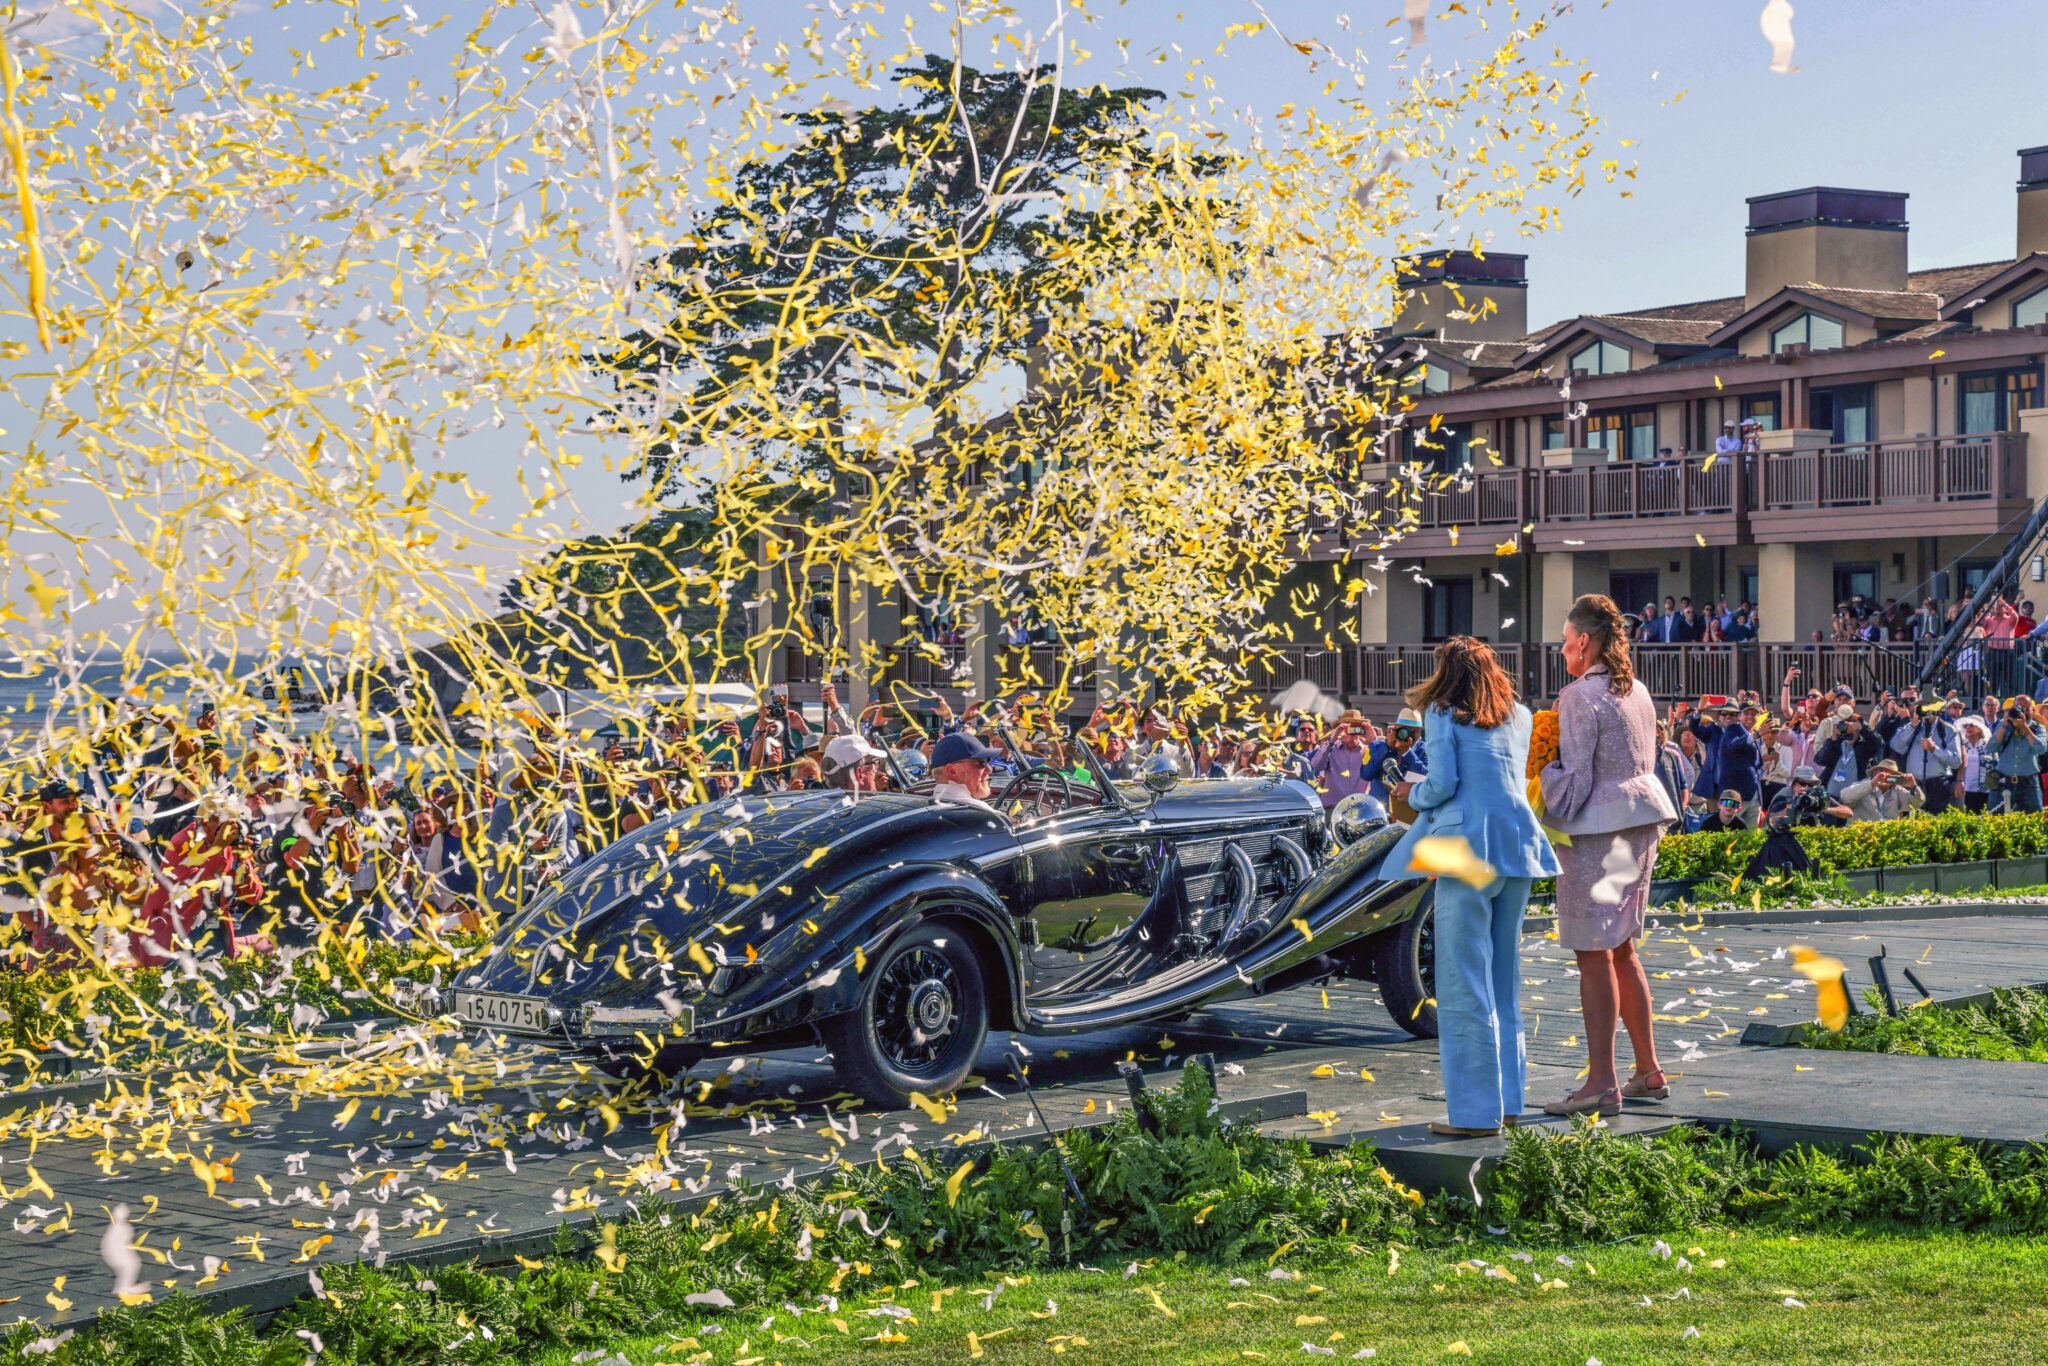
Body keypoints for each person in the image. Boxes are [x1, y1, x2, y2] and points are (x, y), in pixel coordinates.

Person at [1383, 636, 1560, 1138]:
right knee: (1504, 979)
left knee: (1462, 983)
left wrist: (1410, 791)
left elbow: (1442, 786)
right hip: (1518, 847)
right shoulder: (1521, 716)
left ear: (1448, 672)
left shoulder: (1441, 713)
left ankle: (1475, 1115)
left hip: (1463, 850)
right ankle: (1509, 1102)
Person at [1536, 595, 1677, 1118]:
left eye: (1565, 641)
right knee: (1622, 949)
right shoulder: (1637, 689)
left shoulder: (1577, 696)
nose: (1562, 650)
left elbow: (1574, 783)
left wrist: (1537, 770)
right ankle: (1648, 1069)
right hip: (1641, 823)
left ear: (1584, 642)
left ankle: (1601, 1082)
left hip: (1598, 833)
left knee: (1593, 953)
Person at [1890, 702, 1961, 814]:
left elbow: (1956, 762)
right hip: (1912, 784)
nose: (1925, 711)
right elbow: (1896, 746)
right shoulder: (1911, 727)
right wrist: (1913, 724)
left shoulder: (1948, 730)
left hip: (1937, 787)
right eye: (1921, 707)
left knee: (1935, 822)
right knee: (1911, 821)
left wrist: (1934, 749)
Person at [1988, 699, 2048, 813]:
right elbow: (1990, 748)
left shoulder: (2038, 727)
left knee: (2034, 819)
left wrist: (2024, 727)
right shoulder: (2003, 724)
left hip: (2028, 782)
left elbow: (2041, 749)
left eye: (2026, 709)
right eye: (2019, 708)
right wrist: (2004, 726)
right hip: (2003, 780)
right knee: (1995, 819)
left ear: (2032, 710)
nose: (2022, 712)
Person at [1308, 710, 1373, 810]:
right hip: (1333, 810)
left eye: (1356, 727)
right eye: (1348, 727)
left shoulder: (1368, 751)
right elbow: (1316, 765)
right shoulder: (1330, 749)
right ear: (1340, 730)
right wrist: (1331, 740)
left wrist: (1374, 740)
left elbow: (1381, 769)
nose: (1352, 731)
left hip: (1360, 811)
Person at [1841, 759, 1924, 823]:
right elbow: (1844, 797)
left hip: (1886, 836)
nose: (1886, 776)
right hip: (1861, 834)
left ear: (1896, 778)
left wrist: (1913, 786)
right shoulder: (1862, 785)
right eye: (1882, 773)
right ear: (1874, 773)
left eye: (1891, 775)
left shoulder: (1897, 790)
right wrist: (1872, 784)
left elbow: (1918, 803)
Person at [930, 732, 1001, 806]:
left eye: (987, 760)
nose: (989, 770)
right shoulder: (981, 811)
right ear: (953, 771)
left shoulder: (926, 807)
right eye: (982, 763)